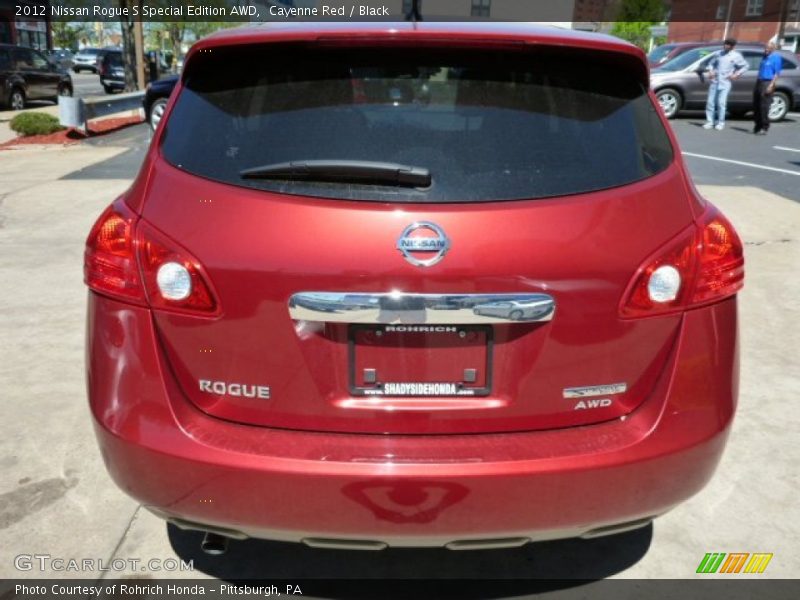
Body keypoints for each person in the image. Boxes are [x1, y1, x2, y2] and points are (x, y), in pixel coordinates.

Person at [704, 38, 748, 131]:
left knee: (721, 103)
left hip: (725, 82)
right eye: (725, 44)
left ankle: (720, 122)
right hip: (715, 81)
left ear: (732, 46)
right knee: (710, 102)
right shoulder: (718, 53)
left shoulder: (736, 56)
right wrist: (710, 71)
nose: (726, 46)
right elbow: (710, 64)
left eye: (728, 45)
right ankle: (710, 122)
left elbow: (745, 66)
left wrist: (736, 74)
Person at [753, 42, 783, 135]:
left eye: (768, 48)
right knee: (756, 104)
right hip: (760, 81)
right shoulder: (764, 57)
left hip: (768, 82)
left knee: (764, 106)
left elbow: (776, 73)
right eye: (765, 48)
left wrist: (771, 85)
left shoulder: (776, 58)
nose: (766, 50)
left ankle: (764, 127)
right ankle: (757, 125)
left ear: (773, 49)